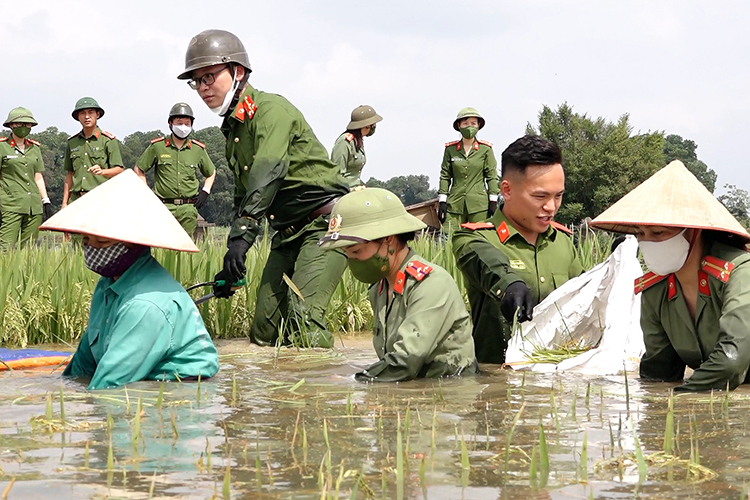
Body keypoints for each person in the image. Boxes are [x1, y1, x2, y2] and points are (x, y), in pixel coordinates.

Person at [178, 29, 350, 348]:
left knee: (304, 316)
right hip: (286, 233)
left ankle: (324, 394)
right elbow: (243, 196)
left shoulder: (271, 110)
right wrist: (234, 259)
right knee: (264, 331)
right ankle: (280, 397)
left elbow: (266, 174)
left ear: (238, 72)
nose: (202, 88)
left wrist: (243, 240)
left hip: (325, 227)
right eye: (196, 81)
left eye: (209, 77)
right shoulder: (232, 131)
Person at [40, 169, 219, 390]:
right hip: (137, 378)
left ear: (134, 244)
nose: (91, 248)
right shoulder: (107, 285)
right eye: (86, 239)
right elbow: (83, 366)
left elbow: (109, 385)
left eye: (102, 241)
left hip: (178, 392)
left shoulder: (145, 305)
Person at [590, 160, 750, 392]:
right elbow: (660, 369)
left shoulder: (739, 272)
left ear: (693, 232)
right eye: (641, 233)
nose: (647, 242)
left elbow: (732, 361)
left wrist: (679, 398)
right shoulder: (656, 289)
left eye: (657, 232)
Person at [318, 188, 477, 381]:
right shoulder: (379, 289)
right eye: (347, 253)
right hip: (408, 391)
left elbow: (406, 359)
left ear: (388, 240)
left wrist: (353, 381)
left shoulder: (431, 284)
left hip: (446, 395)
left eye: (357, 251)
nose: (351, 260)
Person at [452, 135, 583, 364]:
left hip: (559, 379)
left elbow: (585, 297)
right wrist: (510, 286)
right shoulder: (474, 238)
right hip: (498, 382)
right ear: (507, 190)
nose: (551, 207)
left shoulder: (562, 242)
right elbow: (488, 265)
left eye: (558, 196)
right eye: (540, 196)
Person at [135, 102, 217, 237]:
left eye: (187, 123)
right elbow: (139, 168)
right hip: (163, 207)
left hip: (188, 208)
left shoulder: (197, 150)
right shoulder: (158, 146)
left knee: (186, 250)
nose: (183, 127)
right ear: (170, 123)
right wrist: (148, 194)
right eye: (179, 122)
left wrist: (205, 192)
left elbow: (211, 172)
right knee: (161, 248)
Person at [0, 107, 54, 250]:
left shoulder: (34, 148)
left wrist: (46, 201)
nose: (24, 127)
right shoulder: (2, 147)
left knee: (27, 249)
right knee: (5, 248)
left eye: (27, 124)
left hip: (33, 206)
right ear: (11, 125)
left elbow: (38, 176)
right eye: (20, 124)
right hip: (10, 204)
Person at [438, 107, 499, 230]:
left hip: (479, 204)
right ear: (459, 126)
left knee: (479, 238)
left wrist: (493, 200)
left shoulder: (485, 149)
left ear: (478, 126)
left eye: (473, 123)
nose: (469, 127)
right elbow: (445, 175)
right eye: (465, 123)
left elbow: (491, 176)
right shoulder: (450, 149)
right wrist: (442, 201)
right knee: (447, 237)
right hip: (455, 203)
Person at [62, 97, 124, 208]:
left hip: (100, 199)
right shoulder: (72, 142)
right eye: (82, 113)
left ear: (97, 114)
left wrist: (102, 172)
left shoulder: (108, 140)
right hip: (76, 201)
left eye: (91, 112)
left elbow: (119, 170)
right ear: (78, 117)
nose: (86, 117)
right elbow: (70, 174)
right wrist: (64, 203)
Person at [330, 105, 382, 190]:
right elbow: (337, 175)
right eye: (374, 124)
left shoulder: (358, 141)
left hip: (356, 189)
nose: (375, 127)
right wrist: (351, 190)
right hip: (344, 192)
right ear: (367, 126)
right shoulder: (345, 142)